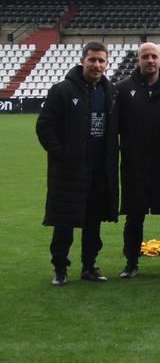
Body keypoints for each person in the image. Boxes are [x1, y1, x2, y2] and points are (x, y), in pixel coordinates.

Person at [37, 41, 119, 285]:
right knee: (64, 222)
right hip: (69, 171)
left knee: (93, 223)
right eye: (92, 59)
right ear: (82, 60)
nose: (96, 65)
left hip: (99, 169)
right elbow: (44, 126)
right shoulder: (61, 90)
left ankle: (89, 266)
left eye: (101, 60)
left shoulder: (110, 92)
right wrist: (61, 153)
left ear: (107, 63)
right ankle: (60, 268)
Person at [115, 42, 160, 278]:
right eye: (145, 57)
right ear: (138, 60)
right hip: (135, 165)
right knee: (134, 216)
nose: (150, 60)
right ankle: (131, 263)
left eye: (154, 56)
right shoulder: (122, 89)